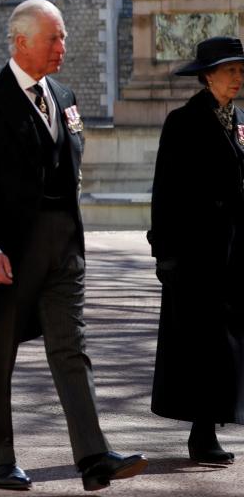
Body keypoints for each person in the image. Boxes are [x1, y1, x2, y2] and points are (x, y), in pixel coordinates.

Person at [0, 0, 147, 491]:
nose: (63, 47)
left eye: (63, 38)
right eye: (53, 38)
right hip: (9, 253)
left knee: (71, 350)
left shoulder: (63, 94)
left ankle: (93, 455)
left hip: (64, 249)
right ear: (21, 42)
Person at [149, 35, 244, 466]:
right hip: (196, 254)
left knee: (227, 343)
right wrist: (165, 252)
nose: (238, 78)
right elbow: (165, 191)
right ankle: (202, 433)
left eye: (241, 70)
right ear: (208, 77)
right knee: (202, 345)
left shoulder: (237, 119)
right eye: (230, 70)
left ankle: (214, 424)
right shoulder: (183, 122)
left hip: (232, 252)